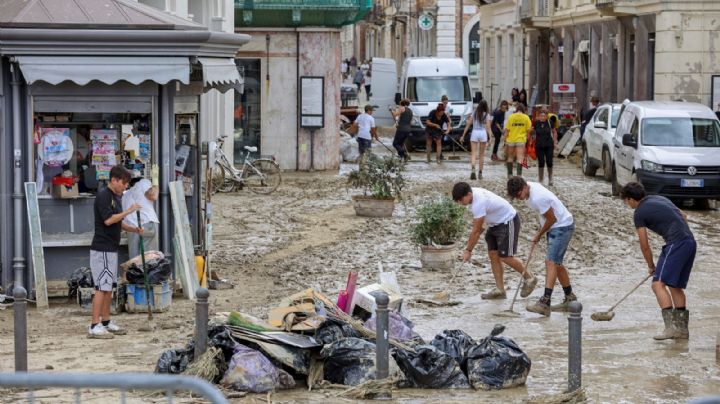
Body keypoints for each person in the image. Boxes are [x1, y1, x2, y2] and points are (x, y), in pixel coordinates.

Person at [620, 182, 695, 340]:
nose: (627, 204)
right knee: (675, 286)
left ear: (631, 199)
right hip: (689, 242)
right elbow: (683, 216)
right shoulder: (659, 198)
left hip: (676, 243)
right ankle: (682, 331)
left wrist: (651, 266)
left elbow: (644, 245)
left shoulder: (639, 213)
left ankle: (670, 329)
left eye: (626, 201)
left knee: (657, 284)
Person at [452, 182, 538, 300]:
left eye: (460, 200)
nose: (459, 203)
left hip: (508, 221)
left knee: (505, 256)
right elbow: (480, 227)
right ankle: (500, 290)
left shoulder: (479, 201)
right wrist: (474, 238)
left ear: (468, 194)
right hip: (494, 224)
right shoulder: (473, 197)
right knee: (493, 255)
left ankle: (529, 278)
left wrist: (468, 250)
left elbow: (476, 230)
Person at [507, 177, 578, 316]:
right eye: (516, 196)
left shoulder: (538, 197)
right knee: (556, 264)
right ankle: (570, 298)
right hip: (556, 227)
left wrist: (538, 234)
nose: (519, 198)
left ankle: (545, 302)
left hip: (562, 227)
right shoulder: (529, 189)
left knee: (550, 262)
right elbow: (546, 217)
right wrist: (540, 232)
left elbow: (552, 219)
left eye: (519, 194)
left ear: (524, 187)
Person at [89, 165, 143, 339]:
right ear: (114, 180)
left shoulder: (116, 197)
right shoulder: (104, 196)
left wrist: (134, 229)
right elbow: (108, 220)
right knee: (101, 286)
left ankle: (106, 321)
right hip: (102, 248)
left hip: (111, 248)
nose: (125, 186)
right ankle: (94, 324)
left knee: (108, 287)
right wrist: (129, 211)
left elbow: (118, 222)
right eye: (124, 183)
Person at [122, 178, 160, 259]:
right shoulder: (143, 182)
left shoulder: (125, 196)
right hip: (146, 224)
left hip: (131, 229)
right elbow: (153, 196)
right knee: (149, 259)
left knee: (135, 260)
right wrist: (155, 182)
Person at [460, 99, 492, 180]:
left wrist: (463, 135)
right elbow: (488, 127)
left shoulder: (474, 113)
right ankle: (480, 173)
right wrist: (490, 137)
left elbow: (468, 124)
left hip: (475, 132)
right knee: (481, 155)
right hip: (483, 133)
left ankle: (473, 169)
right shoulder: (487, 115)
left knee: (473, 153)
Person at [502, 103, 532, 177]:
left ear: (516, 110)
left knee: (510, 157)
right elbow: (529, 130)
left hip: (511, 140)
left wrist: (504, 140)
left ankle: (510, 174)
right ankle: (519, 175)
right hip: (521, 140)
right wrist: (527, 138)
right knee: (520, 158)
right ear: (523, 110)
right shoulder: (526, 117)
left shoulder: (511, 117)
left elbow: (507, 130)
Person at [531, 110, 558, 186]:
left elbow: (554, 132)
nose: (542, 117)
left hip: (549, 145)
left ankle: (550, 178)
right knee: (541, 162)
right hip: (539, 145)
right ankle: (541, 179)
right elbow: (531, 131)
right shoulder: (536, 123)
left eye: (544, 116)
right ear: (538, 116)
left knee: (549, 162)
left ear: (546, 116)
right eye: (541, 116)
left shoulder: (550, 122)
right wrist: (530, 138)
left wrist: (555, 142)